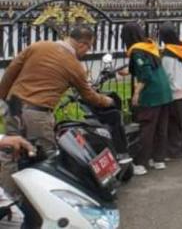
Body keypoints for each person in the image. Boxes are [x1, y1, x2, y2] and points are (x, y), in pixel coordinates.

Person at [0, 25, 113, 197]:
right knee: (47, 159)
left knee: (10, 153)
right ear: (83, 44)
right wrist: (107, 100)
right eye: (89, 47)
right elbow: (89, 95)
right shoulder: (74, 66)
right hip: (38, 112)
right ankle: (43, 201)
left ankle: (10, 199)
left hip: (14, 105)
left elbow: (10, 73)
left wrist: (3, 98)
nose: (87, 52)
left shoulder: (38, 46)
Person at [122, 22, 172, 176]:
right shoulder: (150, 46)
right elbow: (148, 66)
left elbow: (146, 75)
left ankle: (141, 163)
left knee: (147, 128)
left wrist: (137, 93)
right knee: (161, 128)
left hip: (152, 94)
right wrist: (129, 71)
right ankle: (158, 160)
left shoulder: (137, 51)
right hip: (164, 91)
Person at [159, 22, 182, 160]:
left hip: (176, 93)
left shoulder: (168, 55)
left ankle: (173, 152)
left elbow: (167, 75)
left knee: (175, 124)